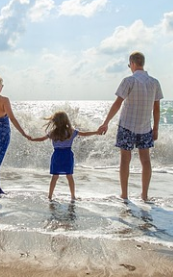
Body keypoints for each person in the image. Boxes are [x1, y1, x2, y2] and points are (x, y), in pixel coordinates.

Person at [97, 51, 163, 202]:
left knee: (125, 161)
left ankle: (125, 195)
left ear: (132, 63)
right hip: (145, 127)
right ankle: (144, 195)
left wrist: (106, 122)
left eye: (129, 65)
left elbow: (117, 104)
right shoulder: (154, 82)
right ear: (142, 63)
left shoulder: (129, 81)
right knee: (145, 161)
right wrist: (156, 128)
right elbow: (156, 109)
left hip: (127, 126)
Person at [29, 111, 98, 201]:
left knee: (55, 176)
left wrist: (32, 139)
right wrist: (96, 132)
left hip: (57, 155)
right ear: (66, 120)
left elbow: (42, 139)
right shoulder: (71, 131)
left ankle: (50, 196)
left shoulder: (53, 133)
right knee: (69, 176)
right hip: (67, 155)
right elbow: (84, 134)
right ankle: (73, 196)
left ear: (55, 121)